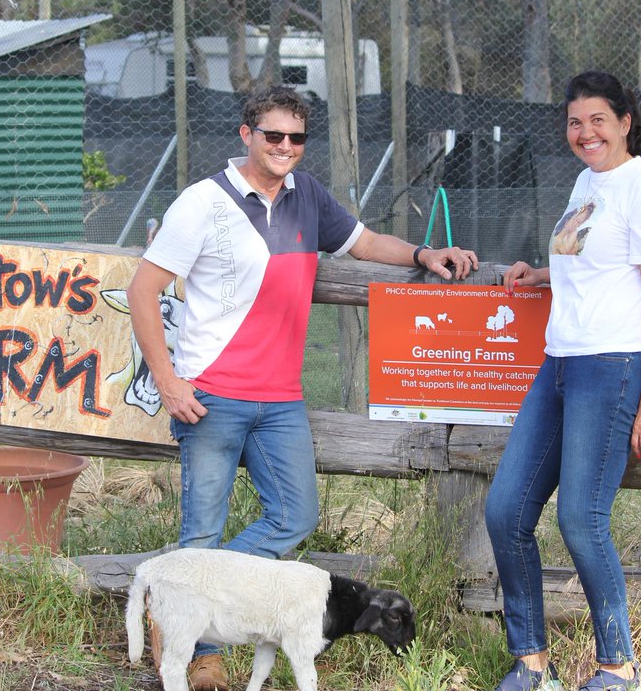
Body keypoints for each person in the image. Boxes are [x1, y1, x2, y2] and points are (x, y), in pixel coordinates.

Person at [127, 85, 478, 691]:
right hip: (210, 395)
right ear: (246, 135)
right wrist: (168, 380)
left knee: (294, 515)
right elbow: (142, 290)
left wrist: (424, 252)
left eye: (296, 138)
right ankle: (197, 650)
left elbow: (365, 243)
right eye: (273, 136)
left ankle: (180, 598)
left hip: (281, 398)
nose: (286, 147)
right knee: (202, 533)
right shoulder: (202, 203)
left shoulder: (307, 195)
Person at [485, 71, 641, 691]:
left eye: (598, 120)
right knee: (505, 510)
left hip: (613, 367)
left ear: (626, 122)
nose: (585, 132)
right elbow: (593, 262)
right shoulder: (586, 181)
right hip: (561, 361)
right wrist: (543, 275)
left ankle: (618, 665)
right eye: (575, 122)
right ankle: (530, 663)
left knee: (580, 518)